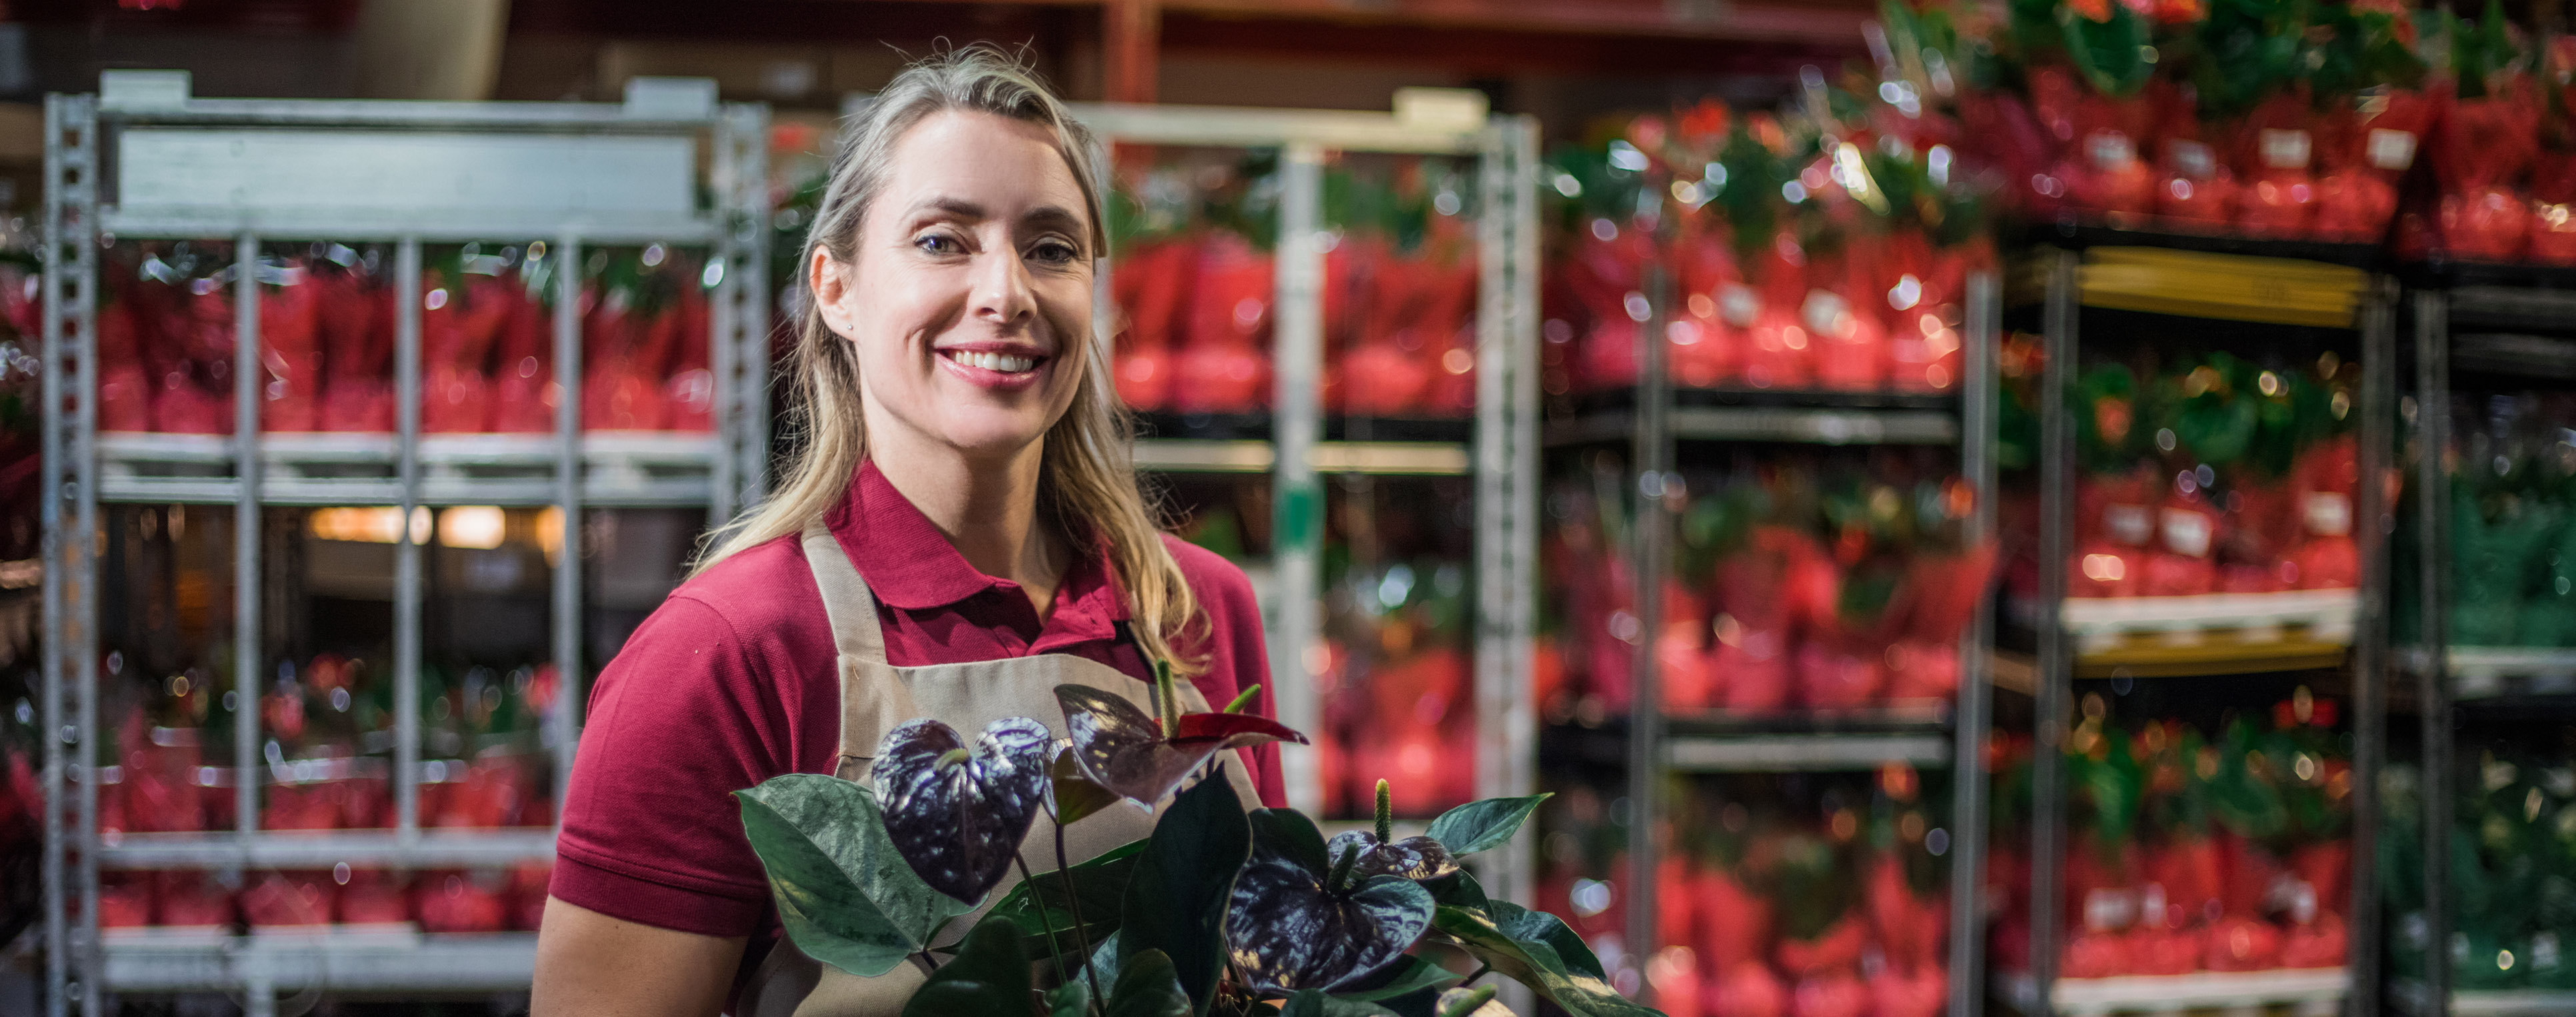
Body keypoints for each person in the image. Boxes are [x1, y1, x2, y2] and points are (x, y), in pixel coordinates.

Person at [531, 47, 1283, 1017]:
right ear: (835, 290)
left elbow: (1257, 964)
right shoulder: (728, 649)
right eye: (942, 241)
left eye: (1050, 247)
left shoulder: (1194, 608)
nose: (1006, 292)